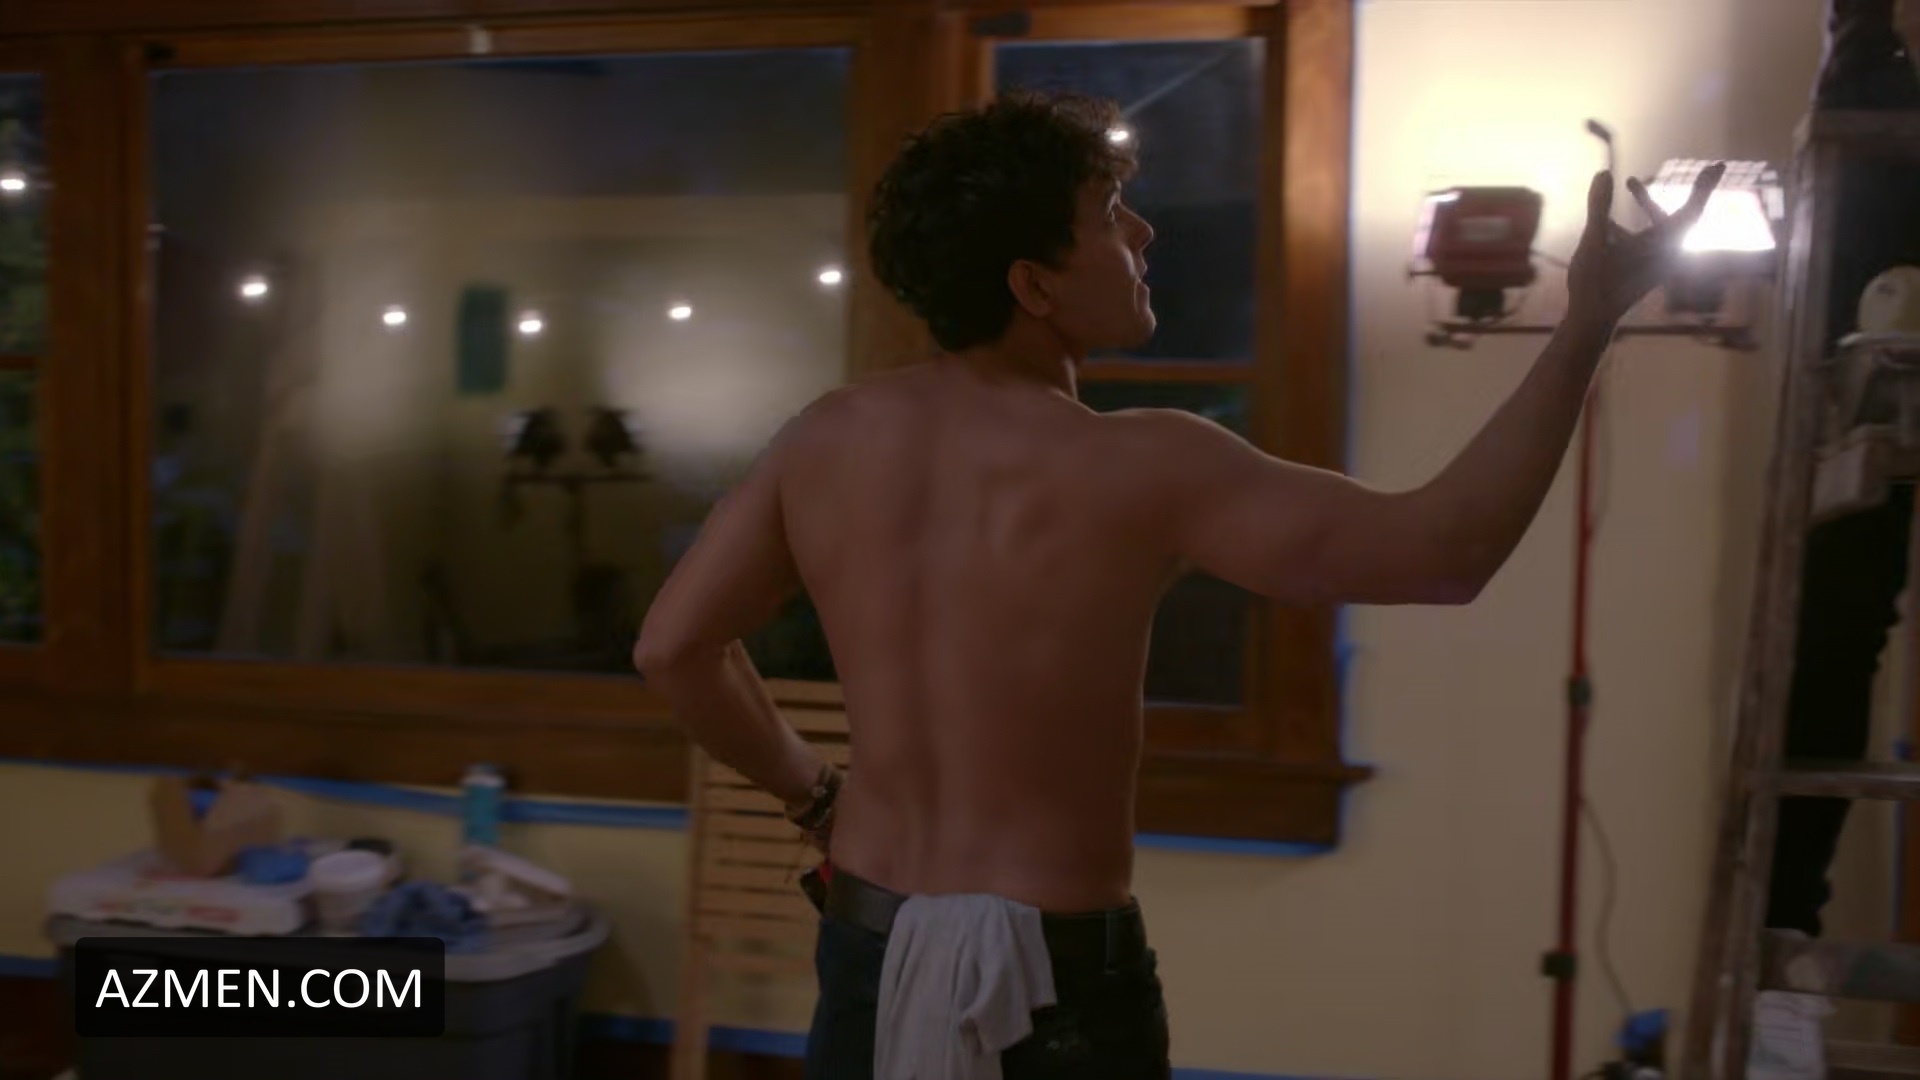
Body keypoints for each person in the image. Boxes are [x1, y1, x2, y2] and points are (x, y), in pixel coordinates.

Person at [634, 92, 1722, 1080]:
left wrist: (813, 794)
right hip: (1052, 985)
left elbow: (672, 649)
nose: (1145, 236)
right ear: (1033, 285)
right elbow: (1444, 553)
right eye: (1111, 215)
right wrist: (1586, 324)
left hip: (870, 947)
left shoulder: (825, 440)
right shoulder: (1142, 463)